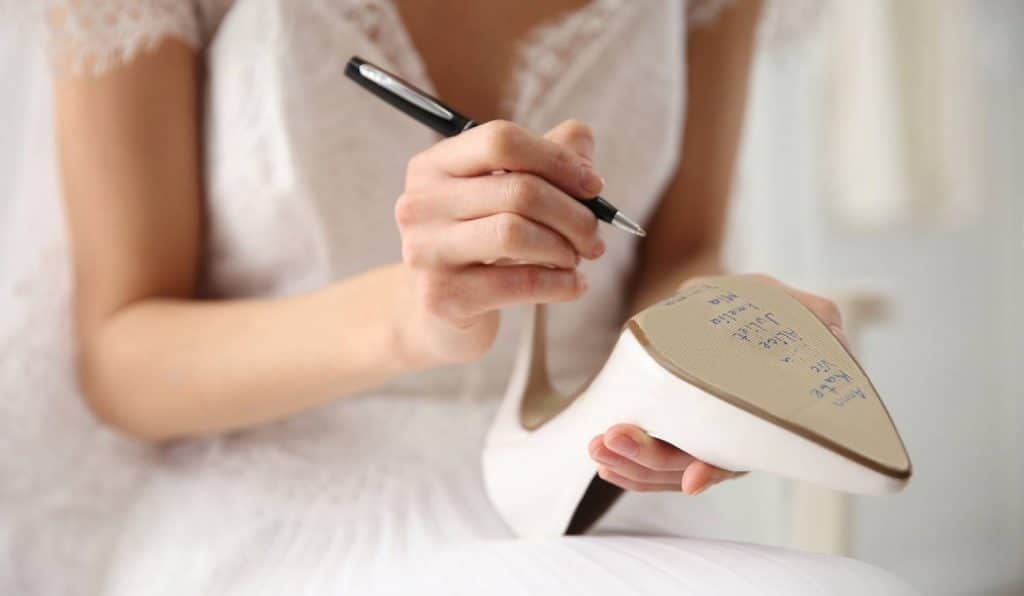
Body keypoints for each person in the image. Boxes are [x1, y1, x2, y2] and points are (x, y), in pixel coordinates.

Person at [3, 0, 913, 593]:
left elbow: (681, 251)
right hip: (280, 511)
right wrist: (412, 316)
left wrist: (713, 351)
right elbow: (122, 363)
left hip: (589, 497)